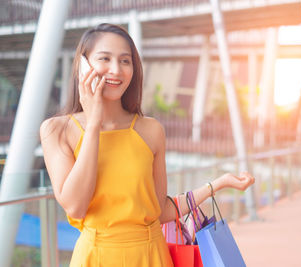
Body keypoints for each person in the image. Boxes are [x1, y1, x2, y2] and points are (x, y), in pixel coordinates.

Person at [40, 23, 255, 267]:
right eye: (104, 58)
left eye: (125, 61)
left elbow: (159, 210)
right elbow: (76, 206)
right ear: (83, 65)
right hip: (95, 257)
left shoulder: (151, 130)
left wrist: (218, 183)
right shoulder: (56, 130)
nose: (116, 70)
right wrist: (94, 123)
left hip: (151, 256)